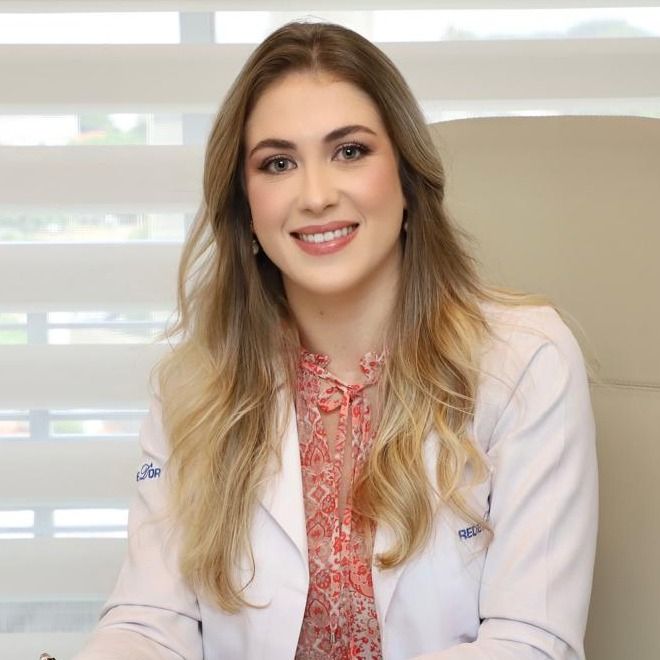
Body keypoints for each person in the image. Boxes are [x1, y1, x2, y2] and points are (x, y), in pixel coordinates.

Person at [75, 21, 598, 660]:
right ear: (246, 206)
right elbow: (148, 622)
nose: (317, 196)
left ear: (407, 177)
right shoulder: (197, 386)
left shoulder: (525, 361)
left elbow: (530, 643)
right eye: (278, 163)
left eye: (349, 151)